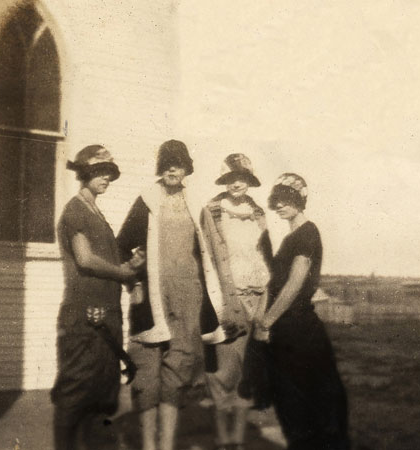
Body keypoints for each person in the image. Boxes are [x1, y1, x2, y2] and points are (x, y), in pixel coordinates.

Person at [116, 140, 226, 450]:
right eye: (166, 163)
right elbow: (121, 245)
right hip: (151, 301)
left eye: (177, 163)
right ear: (159, 168)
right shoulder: (147, 202)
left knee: (176, 375)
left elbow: (211, 253)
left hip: (187, 300)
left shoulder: (195, 205)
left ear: (186, 168)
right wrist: (131, 280)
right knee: (147, 377)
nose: (171, 169)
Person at [240, 173, 350, 450]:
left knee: (308, 404)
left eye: (286, 200)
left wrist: (267, 321)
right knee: (292, 404)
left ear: (300, 202)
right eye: (275, 200)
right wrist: (260, 321)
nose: (278, 205)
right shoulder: (291, 238)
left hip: (299, 329)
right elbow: (274, 283)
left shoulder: (307, 233)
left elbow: (294, 283)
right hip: (285, 330)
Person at [51, 145, 142, 450]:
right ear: (84, 173)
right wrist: (121, 273)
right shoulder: (76, 210)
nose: (105, 177)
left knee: (102, 394)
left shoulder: (97, 214)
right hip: (84, 316)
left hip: (106, 316)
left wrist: (130, 267)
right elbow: (85, 259)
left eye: (108, 172)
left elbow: (107, 262)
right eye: (98, 172)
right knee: (75, 394)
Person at [200, 153, 272, 450]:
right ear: (224, 180)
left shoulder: (257, 212)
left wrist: (265, 305)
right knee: (223, 376)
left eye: (241, 178)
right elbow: (207, 261)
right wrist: (227, 303)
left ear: (250, 181)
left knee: (248, 375)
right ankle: (222, 441)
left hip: (258, 299)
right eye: (231, 178)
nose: (236, 183)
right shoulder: (213, 211)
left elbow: (265, 257)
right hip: (228, 300)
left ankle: (238, 443)